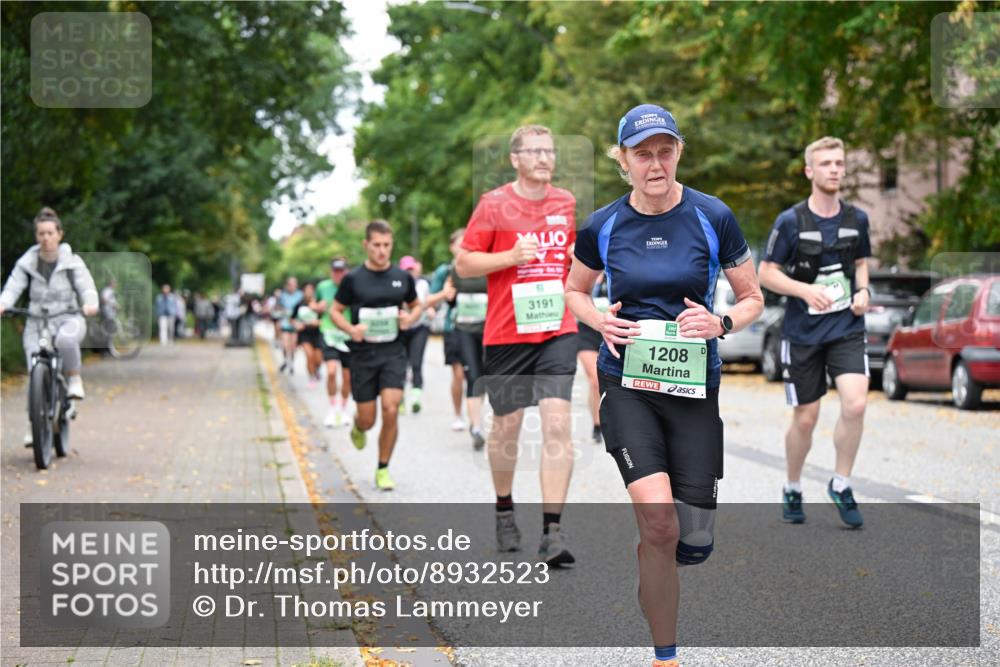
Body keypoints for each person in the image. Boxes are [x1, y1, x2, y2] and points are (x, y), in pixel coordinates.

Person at [566, 104, 762, 667]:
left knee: (691, 540)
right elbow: (575, 291)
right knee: (659, 522)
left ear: (678, 152)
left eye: (664, 150)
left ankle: (657, 562)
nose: (655, 163)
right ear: (623, 161)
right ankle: (665, 655)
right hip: (626, 383)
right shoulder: (603, 224)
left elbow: (752, 298)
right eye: (642, 153)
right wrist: (600, 319)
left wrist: (719, 323)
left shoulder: (712, 215)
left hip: (694, 387)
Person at [455, 123, 579, 565]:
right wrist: (509, 257)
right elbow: (465, 262)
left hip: (556, 328)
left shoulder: (565, 202)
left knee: (558, 423)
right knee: (506, 427)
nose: (545, 158)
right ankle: (504, 508)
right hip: (507, 333)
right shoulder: (493, 205)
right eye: (535, 151)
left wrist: (578, 264)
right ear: (515, 159)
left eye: (550, 150)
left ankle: (553, 531)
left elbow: (577, 259)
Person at [757, 136, 871, 529]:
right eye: (826, 163)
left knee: (855, 403)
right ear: (810, 171)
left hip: (846, 326)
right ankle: (792, 486)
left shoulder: (857, 219)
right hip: (802, 331)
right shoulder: (790, 222)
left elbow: (860, 264)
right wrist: (805, 290)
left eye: (839, 163)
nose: (834, 169)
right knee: (806, 417)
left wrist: (864, 291)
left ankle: (841, 483)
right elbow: (766, 272)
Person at [329, 220, 422, 491]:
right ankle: (358, 426)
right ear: (366, 245)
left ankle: (383, 468)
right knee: (369, 419)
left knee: (391, 408)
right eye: (377, 245)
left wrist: (409, 318)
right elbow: (335, 311)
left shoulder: (402, 278)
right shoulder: (353, 279)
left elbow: (416, 306)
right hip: (363, 355)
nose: (382, 251)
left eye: (387, 245)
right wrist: (350, 329)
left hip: (393, 351)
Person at [0, 207, 100, 445]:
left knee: (66, 340)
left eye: (49, 233)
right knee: (35, 369)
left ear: (59, 234)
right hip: (37, 321)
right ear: (36, 236)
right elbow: (14, 286)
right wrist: (3, 303)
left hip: (68, 317)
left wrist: (90, 304)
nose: (45, 238)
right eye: (41, 234)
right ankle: (34, 423)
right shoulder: (27, 263)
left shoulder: (72, 261)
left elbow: (85, 286)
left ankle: (74, 379)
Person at [445, 229, 490, 449]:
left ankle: (477, 420)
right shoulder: (456, 269)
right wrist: (449, 295)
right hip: (463, 330)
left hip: (488, 329)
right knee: (472, 374)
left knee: (484, 376)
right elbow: (449, 298)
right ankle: (476, 426)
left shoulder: (488, 266)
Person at [426, 230, 472, 436]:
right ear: (452, 247)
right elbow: (430, 300)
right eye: (459, 244)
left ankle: (475, 415)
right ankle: (457, 414)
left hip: (478, 328)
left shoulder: (478, 268)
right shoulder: (445, 271)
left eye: (467, 244)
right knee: (459, 373)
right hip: (453, 328)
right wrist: (443, 295)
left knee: (476, 374)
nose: (463, 248)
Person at [315, 258, 353, 428]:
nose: (339, 274)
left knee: (347, 377)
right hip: (329, 332)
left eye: (342, 270)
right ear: (331, 271)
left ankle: (343, 409)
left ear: (346, 271)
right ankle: (332, 408)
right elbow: (313, 304)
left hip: (347, 334)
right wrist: (317, 307)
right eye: (336, 271)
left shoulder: (353, 286)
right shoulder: (323, 287)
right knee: (331, 372)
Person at [575, 273, 609, 444]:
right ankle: (597, 424)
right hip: (586, 330)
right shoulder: (586, 269)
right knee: (595, 379)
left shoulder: (616, 269)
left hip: (612, 329)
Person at [398, 256, 431, 413]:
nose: (410, 272)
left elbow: (428, 301)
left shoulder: (423, 284)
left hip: (419, 327)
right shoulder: (397, 285)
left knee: (416, 363)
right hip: (402, 329)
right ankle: (401, 399)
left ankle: (416, 398)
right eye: (406, 270)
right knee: (401, 365)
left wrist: (430, 309)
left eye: (411, 269)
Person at [292, 282, 323, 386]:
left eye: (311, 290)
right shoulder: (299, 304)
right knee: (309, 355)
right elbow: (292, 319)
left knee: (318, 358)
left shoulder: (318, 304)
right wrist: (297, 325)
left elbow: (325, 319)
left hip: (317, 333)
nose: (309, 292)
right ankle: (311, 377)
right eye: (307, 290)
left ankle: (317, 368)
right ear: (303, 291)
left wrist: (317, 322)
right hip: (305, 334)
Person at [277, 277, 303, 374]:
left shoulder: (300, 295)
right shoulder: (283, 296)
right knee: (285, 345)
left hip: (295, 323)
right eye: (290, 285)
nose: (292, 287)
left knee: (293, 346)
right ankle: (285, 360)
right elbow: (278, 308)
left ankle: (291, 362)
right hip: (285, 322)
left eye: (294, 285)